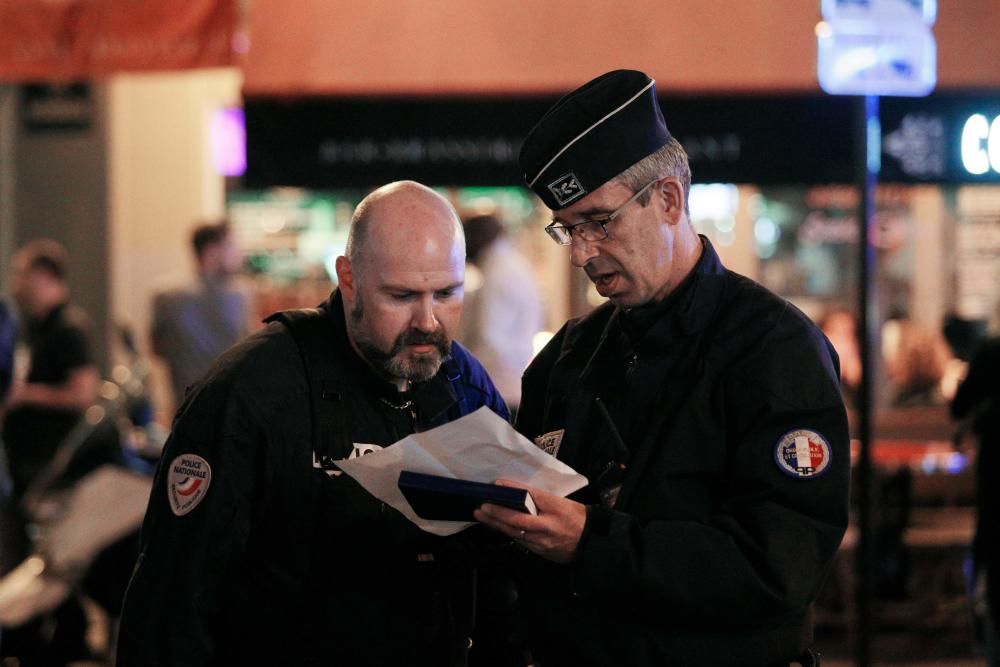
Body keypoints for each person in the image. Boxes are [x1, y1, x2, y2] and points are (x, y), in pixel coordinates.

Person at [474, 70, 850, 666]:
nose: (581, 254)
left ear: (669, 200)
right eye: (567, 230)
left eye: (599, 222)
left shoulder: (774, 349)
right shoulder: (569, 356)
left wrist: (589, 542)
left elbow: (777, 569)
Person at [116, 181, 518, 666]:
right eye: (402, 295)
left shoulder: (464, 388)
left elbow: (503, 575)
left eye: (447, 294)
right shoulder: (251, 393)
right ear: (347, 278)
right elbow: (172, 610)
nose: (428, 322)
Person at [1, 239, 101, 664]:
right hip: (31, 460)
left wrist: (23, 395)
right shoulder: (37, 327)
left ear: (48, 278)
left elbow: (83, 393)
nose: (17, 284)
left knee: (54, 556)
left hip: (50, 462)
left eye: (24, 274)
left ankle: (61, 636)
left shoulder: (67, 329)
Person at [150, 220, 252, 411]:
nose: (239, 254)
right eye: (231, 246)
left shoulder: (165, 296)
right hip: (232, 407)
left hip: (185, 407)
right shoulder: (239, 295)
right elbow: (249, 347)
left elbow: (157, 349)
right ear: (212, 250)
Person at [458, 214, 544, 413]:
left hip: (498, 385)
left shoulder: (498, 272)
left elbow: (488, 337)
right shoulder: (513, 264)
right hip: (511, 381)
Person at [951, 327, 1000, 666]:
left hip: (998, 461)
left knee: (994, 547)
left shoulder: (994, 348)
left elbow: (960, 405)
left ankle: (992, 643)